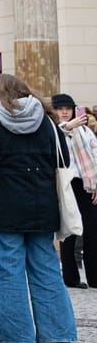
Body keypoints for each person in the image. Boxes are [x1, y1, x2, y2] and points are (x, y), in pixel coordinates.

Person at [0, 75, 76, 343]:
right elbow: (63, 160)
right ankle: (57, 338)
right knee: (47, 270)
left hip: (5, 207)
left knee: (8, 271)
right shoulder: (47, 121)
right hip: (43, 206)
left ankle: (16, 337)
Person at [51, 95, 97, 288]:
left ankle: (94, 276)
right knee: (68, 231)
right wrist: (68, 127)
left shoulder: (85, 131)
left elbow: (95, 156)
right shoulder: (53, 130)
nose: (64, 112)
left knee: (92, 230)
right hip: (64, 184)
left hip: (86, 184)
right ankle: (70, 278)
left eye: (67, 109)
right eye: (60, 108)